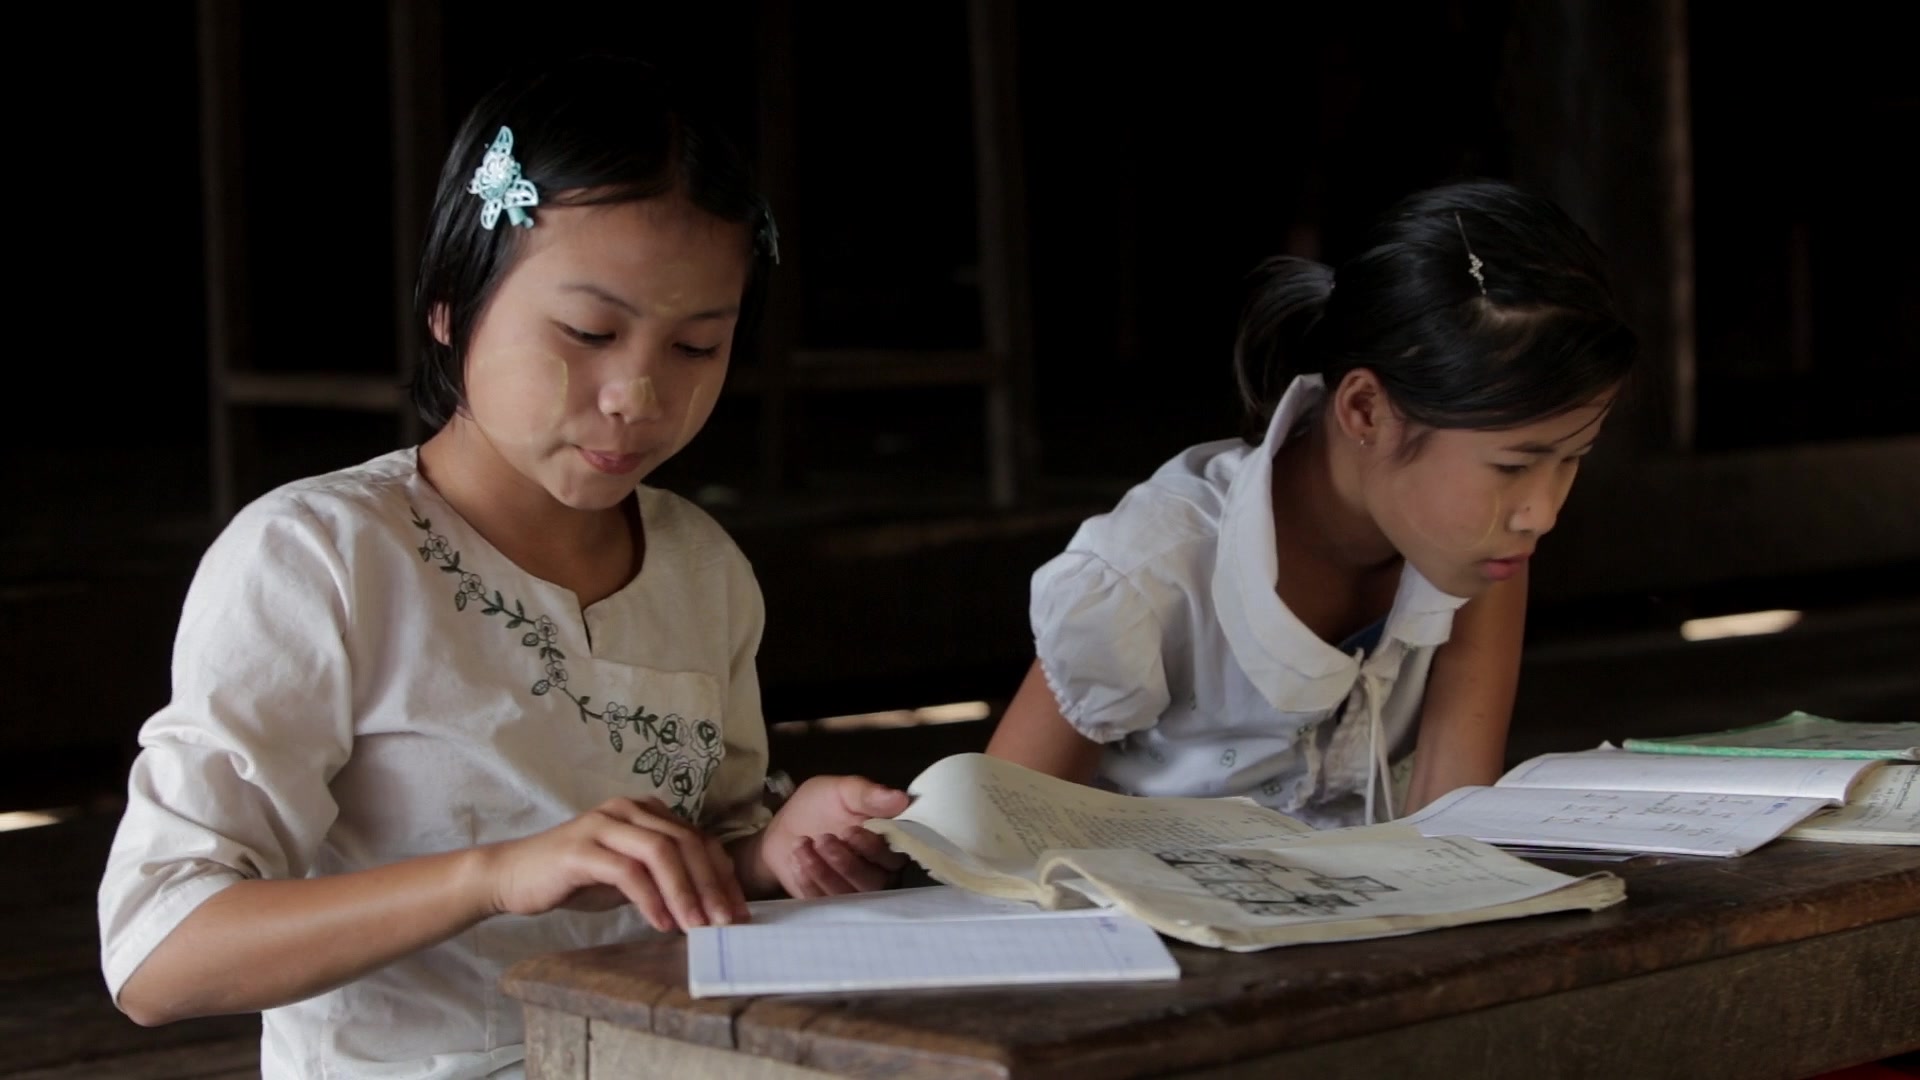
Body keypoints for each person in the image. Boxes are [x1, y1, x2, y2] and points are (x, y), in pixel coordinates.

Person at [98, 54, 907, 1078]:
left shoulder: (702, 567)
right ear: (450, 303)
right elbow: (157, 956)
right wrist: (491, 877)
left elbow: (703, 852)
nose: (637, 395)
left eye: (699, 346)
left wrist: (773, 852)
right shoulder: (322, 559)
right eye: (590, 332)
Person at [986, 179, 1637, 829]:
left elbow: (1451, 828)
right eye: (1514, 465)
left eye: (1571, 457)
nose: (1542, 512)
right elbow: (996, 837)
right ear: (1365, 410)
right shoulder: (1151, 572)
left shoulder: (1482, 552)